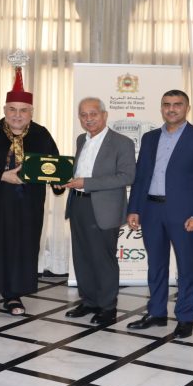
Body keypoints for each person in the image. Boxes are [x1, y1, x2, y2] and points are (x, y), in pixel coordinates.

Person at [0, 69, 62, 317]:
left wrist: (60, 182)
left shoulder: (41, 134)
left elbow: (54, 165)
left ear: (31, 112)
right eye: (12, 109)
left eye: (23, 110)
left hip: (28, 205)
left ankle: (13, 295)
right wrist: (1, 175)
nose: (17, 115)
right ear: (5, 110)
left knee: (22, 247)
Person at [124, 89, 193, 338]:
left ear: (187, 108)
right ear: (161, 108)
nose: (171, 109)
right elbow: (141, 175)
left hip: (186, 214)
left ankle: (185, 318)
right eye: (167, 104)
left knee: (188, 267)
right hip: (151, 209)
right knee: (155, 265)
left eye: (177, 104)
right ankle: (156, 313)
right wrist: (134, 208)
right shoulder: (150, 137)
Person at [61, 97, 135, 325]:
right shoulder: (80, 139)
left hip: (104, 209)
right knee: (82, 256)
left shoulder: (122, 142)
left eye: (93, 114)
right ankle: (89, 301)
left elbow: (127, 176)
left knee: (103, 259)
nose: (88, 119)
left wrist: (87, 183)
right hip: (78, 204)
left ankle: (107, 307)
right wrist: (62, 179)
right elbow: (78, 171)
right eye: (83, 115)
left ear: (104, 115)